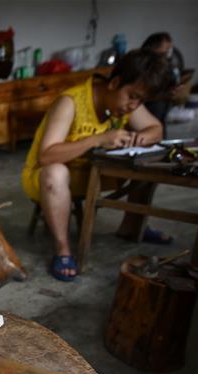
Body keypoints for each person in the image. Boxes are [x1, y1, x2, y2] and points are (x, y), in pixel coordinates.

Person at [21, 49, 170, 282]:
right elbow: (47, 156)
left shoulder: (128, 101)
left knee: (147, 159)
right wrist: (97, 139)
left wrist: (138, 138)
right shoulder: (70, 102)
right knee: (55, 172)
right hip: (47, 180)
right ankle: (63, 250)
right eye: (132, 96)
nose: (133, 106)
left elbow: (156, 129)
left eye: (140, 100)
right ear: (115, 82)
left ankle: (132, 226)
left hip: (93, 175)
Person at [141, 32, 187, 134]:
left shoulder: (167, 66)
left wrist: (175, 92)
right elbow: (140, 96)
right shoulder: (143, 67)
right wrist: (164, 95)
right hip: (146, 115)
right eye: (163, 53)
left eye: (168, 51)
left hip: (161, 115)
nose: (167, 56)